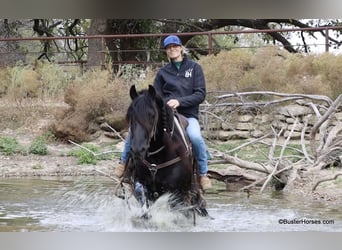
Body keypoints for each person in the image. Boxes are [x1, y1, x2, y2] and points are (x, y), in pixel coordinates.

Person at [114, 35, 212, 190]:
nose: (172, 50)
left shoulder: (194, 68)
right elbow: (156, 96)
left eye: (174, 46)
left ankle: (203, 174)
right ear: (166, 51)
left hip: (188, 115)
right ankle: (124, 164)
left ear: (181, 48)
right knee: (135, 131)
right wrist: (164, 105)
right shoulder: (162, 72)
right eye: (168, 48)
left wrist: (180, 101)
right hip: (167, 114)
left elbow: (200, 94)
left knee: (195, 137)